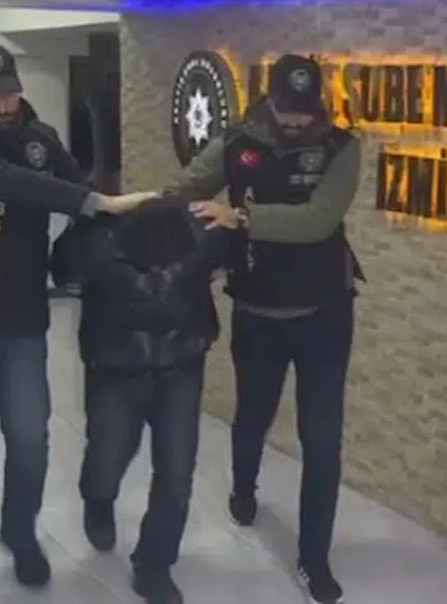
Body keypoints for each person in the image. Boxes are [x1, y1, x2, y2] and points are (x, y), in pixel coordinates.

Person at [0, 42, 156, 603]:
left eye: (10, 94)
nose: (3, 106)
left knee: (29, 438)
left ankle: (20, 535)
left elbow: (76, 196)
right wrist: (95, 201)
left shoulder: (39, 138)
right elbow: (7, 182)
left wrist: (127, 230)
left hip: (19, 318)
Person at [165, 54, 363, 604]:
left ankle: (314, 559)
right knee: (252, 415)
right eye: (287, 109)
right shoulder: (237, 142)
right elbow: (185, 186)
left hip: (324, 311)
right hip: (257, 309)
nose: (297, 121)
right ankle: (243, 488)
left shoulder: (342, 148)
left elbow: (319, 219)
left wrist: (243, 218)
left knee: (321, 438)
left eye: (306, 111)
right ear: (270, 101)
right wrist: (155, 215)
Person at [50, 196, 227, 604]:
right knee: (108, 458)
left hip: (181, 364)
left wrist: (235, 219)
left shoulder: (203, 234)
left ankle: (154, 564)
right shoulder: (93, 239)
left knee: (176, 470)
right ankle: (98, 499)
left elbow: (228, 263)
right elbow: (62, 273)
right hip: (116, 368)